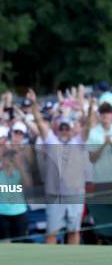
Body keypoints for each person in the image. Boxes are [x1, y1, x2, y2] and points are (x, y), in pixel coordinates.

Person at [27, 89, 92, 244]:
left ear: (71, 130)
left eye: (66, 128)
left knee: (74, 231)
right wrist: (33, 104)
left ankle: (72, 262)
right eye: (61, 128)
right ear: (58, 129)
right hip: (55, 196)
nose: (64, 131)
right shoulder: (52, 141)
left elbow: (88, 127)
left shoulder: (78, 142)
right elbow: (39, 122)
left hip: (75, 195)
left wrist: (89, 111)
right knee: (52, 232)